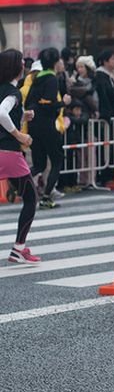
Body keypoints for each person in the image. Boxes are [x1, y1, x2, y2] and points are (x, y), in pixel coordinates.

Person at [0, 49, 40, 263]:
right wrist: (19, 135)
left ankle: (19, 248)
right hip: (8, 152)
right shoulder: (13, 93)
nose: (24, 65)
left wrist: (22, 115)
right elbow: (0, 113)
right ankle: (18, 248)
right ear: (15, 67)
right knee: (31, 199)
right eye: (22, 62)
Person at [25, 48, 71, 209]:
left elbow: (29, 103)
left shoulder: (36, 78)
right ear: (55, 62)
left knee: (39, 164)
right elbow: (48, 105)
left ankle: (17, 185)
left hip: (34, 124)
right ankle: (46, 198)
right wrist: (63, 103)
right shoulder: (51, 79)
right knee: (57, 160)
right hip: (47, 126)